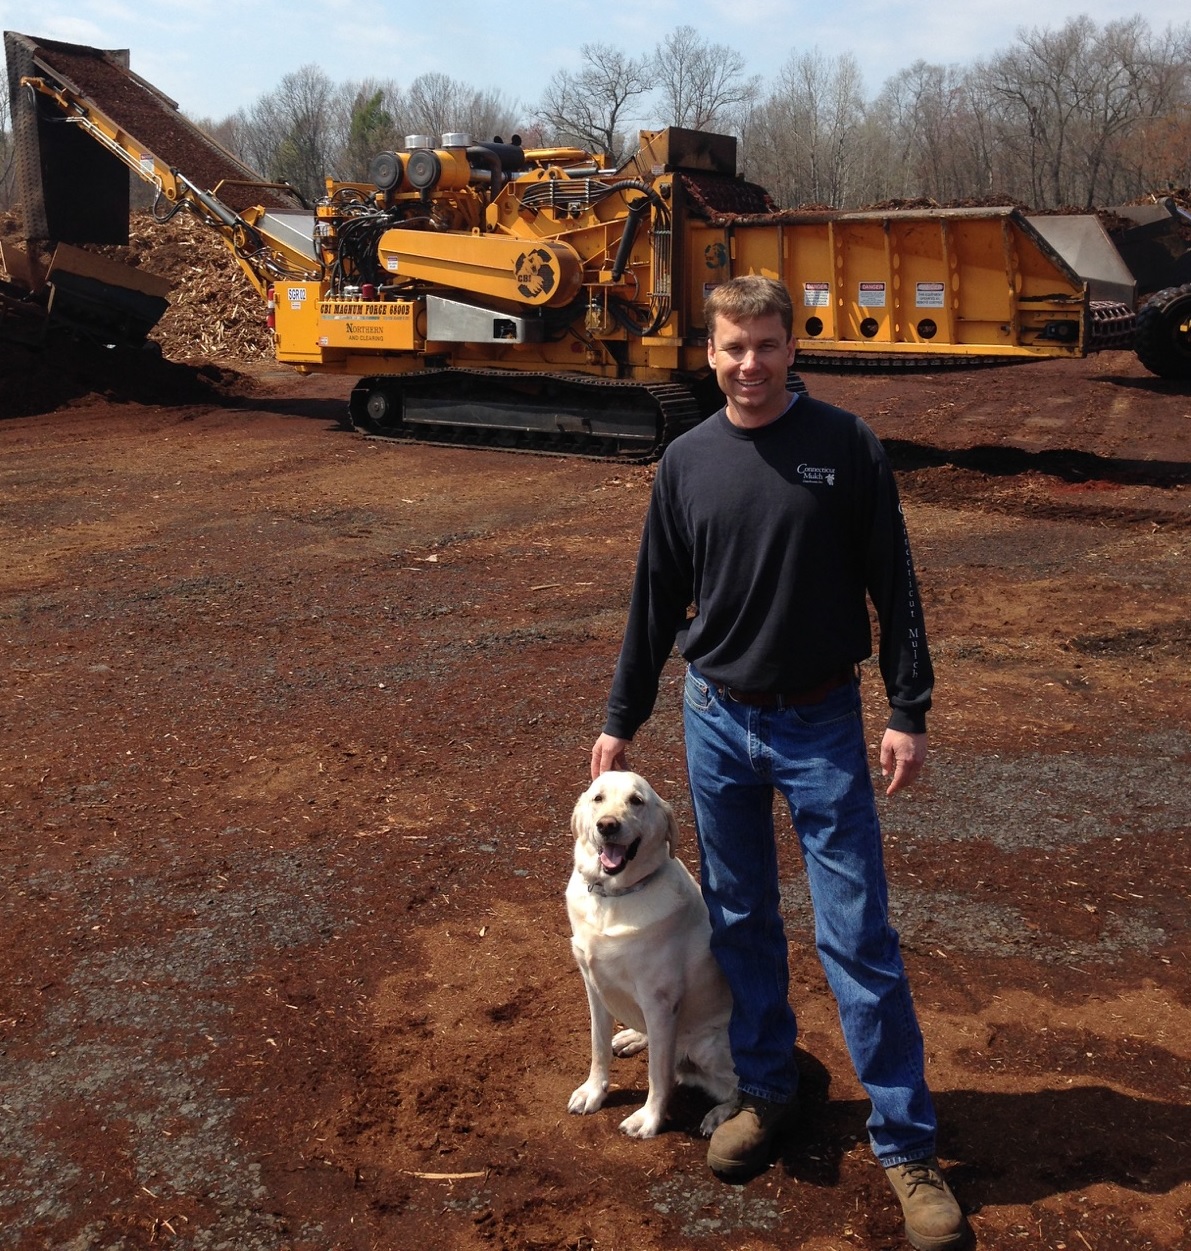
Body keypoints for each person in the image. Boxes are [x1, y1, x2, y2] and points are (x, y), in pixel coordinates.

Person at [590, 275, 970, 1251]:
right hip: (717, 718)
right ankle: (765, 1089)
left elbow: (897, 581)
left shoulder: (845, 448)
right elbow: (653, 598)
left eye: (765, 345)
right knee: (744, 920)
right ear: (707, 352)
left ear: (791, 348)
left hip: (821, 724)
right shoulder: (685, 463)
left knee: (857, 938)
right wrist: (622, 715)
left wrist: (909, 707)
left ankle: (907, 1147)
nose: (749, 365)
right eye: (731, 347)